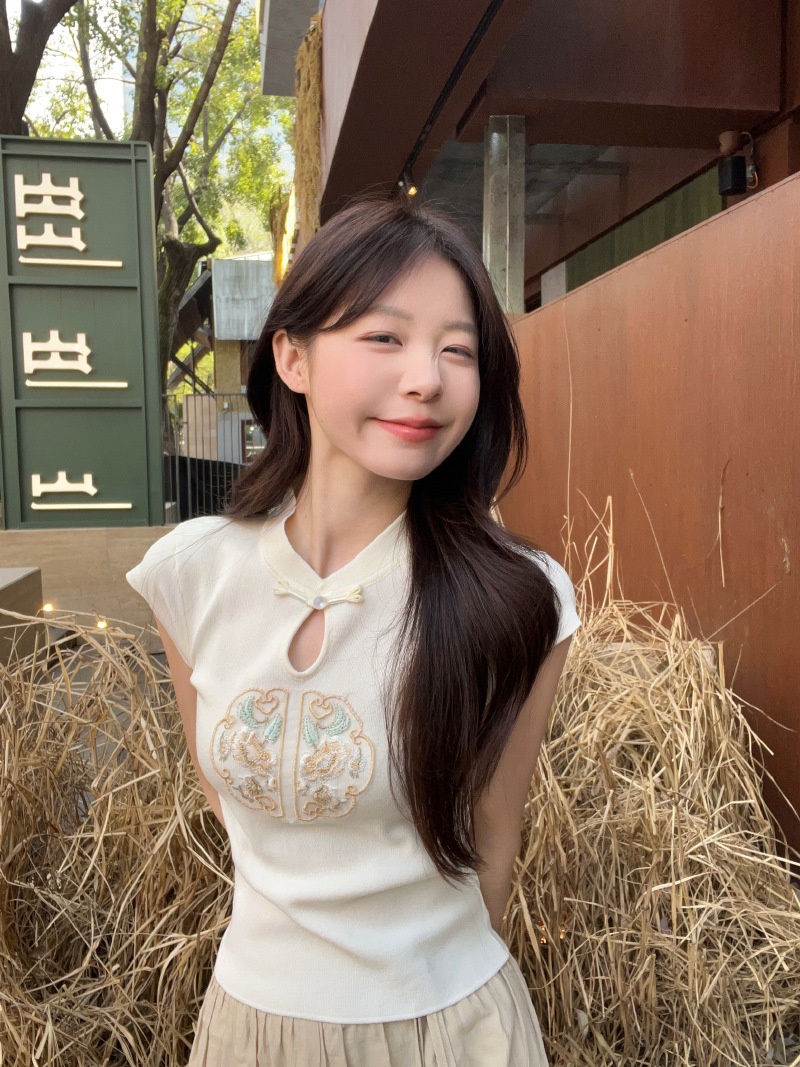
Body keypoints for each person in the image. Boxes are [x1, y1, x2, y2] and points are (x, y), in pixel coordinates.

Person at [126, 193, 581, 1066]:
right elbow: (225, 794)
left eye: (458, 349)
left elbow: (495, 831)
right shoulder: (192, 572)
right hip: (250, 1028)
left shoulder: (520, 596)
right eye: (385, 337)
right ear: (291, 356)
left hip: (451, 1027)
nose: (426, 378)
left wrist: (423, 1006)